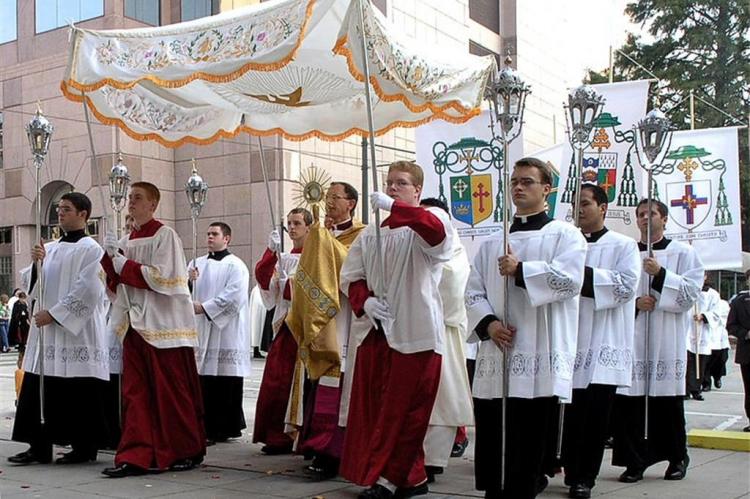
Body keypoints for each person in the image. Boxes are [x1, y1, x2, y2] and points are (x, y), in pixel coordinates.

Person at [466, 157, 586, 498]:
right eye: (515, 181)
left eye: (527, 182)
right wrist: (488, 325)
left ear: (546, 189)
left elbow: (570, 281)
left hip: (537, 352)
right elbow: (471, 290)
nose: (518, 187)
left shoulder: (565, 235)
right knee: (493, 436)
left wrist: (521, 271)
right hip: (497, 350)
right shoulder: (493, 239)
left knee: (527, 439)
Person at [339, 161, 454, 499]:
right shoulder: (370, 232)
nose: (392, 188)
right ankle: (412, 479)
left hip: (416, 332)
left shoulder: (429, 220)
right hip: (378, 331)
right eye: (389, 183)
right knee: (379, 410)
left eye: (401, 184)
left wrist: (397, 209)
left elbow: (436, 234)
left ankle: (389, 479)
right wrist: (365, 302)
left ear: (417, 190)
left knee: (407, 412)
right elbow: (351, 276)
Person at [100, 181, 205, 477]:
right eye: (130, 197)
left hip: (163, 326)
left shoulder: (165, 235)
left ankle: (183, 449)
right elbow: (114, 284)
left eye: (138, 198)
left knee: (170, 392)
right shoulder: (125, 239)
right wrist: (108, 261)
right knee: (135, 393)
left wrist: (121, 263)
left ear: (153, 204)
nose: (131, 202)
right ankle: (136, 453)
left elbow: (165, 279)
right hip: (134, 324)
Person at [8, 192, 111, 466]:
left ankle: (83, 447)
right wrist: (36, 263)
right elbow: (32, 285)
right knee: (40, 385)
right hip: (47, 332)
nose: (60, 213)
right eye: (59, 209)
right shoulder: (49, 247)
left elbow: (90, 288)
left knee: (79, 390)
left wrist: (54, 314)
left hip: (77, 332)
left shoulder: (93, 249)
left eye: (66, 209)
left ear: (83, 214)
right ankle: (38, 446)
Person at [611, 199, 703, 483]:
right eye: (639, 215)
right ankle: (634, 461)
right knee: (630, 404)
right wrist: (636, 303)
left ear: (664, 218)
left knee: (667, 404)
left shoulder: (683, 253)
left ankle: (677, 457)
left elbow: (691, 294)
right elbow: (613, 289)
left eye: (650, 213)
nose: (644, 219)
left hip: (666, 337)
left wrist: (661, 275)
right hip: (633, 337)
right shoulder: (625, 251)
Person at [560, 184, 640, 499]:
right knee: (567, 415)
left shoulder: (623, 245)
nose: (579, 210)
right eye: (575, 204)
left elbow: (625, 286)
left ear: (602, 207)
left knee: (593, 417)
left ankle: (584, 477)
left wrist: (578, 274)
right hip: (568, 339)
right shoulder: (566, 244)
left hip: (603, 341)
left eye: (586, 204)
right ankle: (564, 468)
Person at [286, 181, 366, 480]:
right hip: (321, 322)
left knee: (343, 387)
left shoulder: (363, 234)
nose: (331, 202)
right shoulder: (317, 234)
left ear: (351, 203)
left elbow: (355, 269)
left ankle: (338, 452)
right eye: (328, 197)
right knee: (322, 386)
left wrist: (323, 241)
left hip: (346, 320)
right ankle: (318, 446)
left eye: (336, 197)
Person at [417, 197, 473, 484]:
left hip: (443, 329)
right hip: (411, 329)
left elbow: (454, 281)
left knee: (442, 395)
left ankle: (434, 459)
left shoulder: (454, 248)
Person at [253, 208, 312, 454]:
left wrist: (291, 285)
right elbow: (264, 279)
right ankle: (276, 435)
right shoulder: (284, 257)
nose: (292, 227)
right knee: (277, 382)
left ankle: (302, 436)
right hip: (285, 325)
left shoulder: (315, 257)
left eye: (297, 223)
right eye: (289, 223)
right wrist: (270, 252)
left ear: (309, 227)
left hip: (307, 329)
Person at [189, 221, 252, 444]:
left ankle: (226, 427)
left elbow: (235, 296)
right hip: (202, 329)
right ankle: (205, 425)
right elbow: (183, 292)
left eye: (214, 234)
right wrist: (189, 281)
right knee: (204, 379)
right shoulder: (195, 264)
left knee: (225, 381)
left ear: (227, 238)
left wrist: (205, 307)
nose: (209, 237)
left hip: (227, 331)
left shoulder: (237, 266)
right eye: (207, 234)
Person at [686, 274, 720, 400]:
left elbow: (717, 312)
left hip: (702, 330)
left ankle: (696, 389)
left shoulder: (712, 294)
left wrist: (704, 316)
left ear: (705, 277)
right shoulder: (688, 289)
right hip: (687, 330)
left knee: (699, 362)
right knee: (687, 361)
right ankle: (685, 389)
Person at [727, 270, 750, 432]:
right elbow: (731, 325)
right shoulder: (739, 302)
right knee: (749, 390)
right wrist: (746, 333)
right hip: (747, 353)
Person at [703, 297, 730, 391]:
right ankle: (706, 383)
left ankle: (717, 376)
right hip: (707, 334)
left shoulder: (723, 304)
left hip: (720, 335)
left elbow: (725, 316)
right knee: (706, 362)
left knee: (722, 359)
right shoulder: (702, 300)